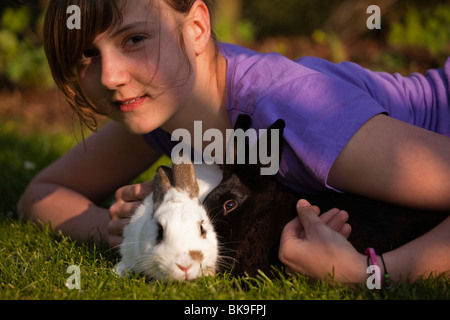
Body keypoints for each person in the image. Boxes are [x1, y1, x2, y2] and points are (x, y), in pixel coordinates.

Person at [18, 0, 450, 287]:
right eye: (86, 56)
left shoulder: (294, 111)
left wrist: (367, 273)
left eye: (134, 40)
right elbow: (41, 194)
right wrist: (142, 236)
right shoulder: (160, 109)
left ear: (197, 28)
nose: (111, 76)